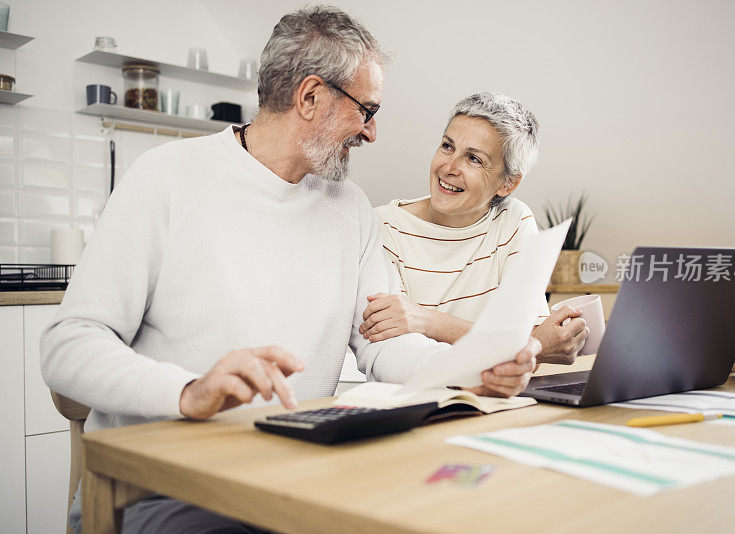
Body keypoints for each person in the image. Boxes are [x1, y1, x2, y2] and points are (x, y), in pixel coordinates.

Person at [40, 8, 539, 534]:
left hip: (299, 479)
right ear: (310, 97)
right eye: (367, 110)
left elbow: (382, 344)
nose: (373, 132)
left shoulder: (349, 207)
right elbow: (68, 344)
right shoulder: (166, 179)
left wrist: (473, 367)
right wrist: (188, 392)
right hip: (163, 492)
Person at [360, 92, 589, 364]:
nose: (449, 167)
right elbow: (394, 344)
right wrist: (530, 345)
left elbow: (528, 348)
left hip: (499, 395)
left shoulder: (513, 222)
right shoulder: (384, 226)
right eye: (447, 146)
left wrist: (426, 321)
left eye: (474, 159)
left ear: (508, 184)